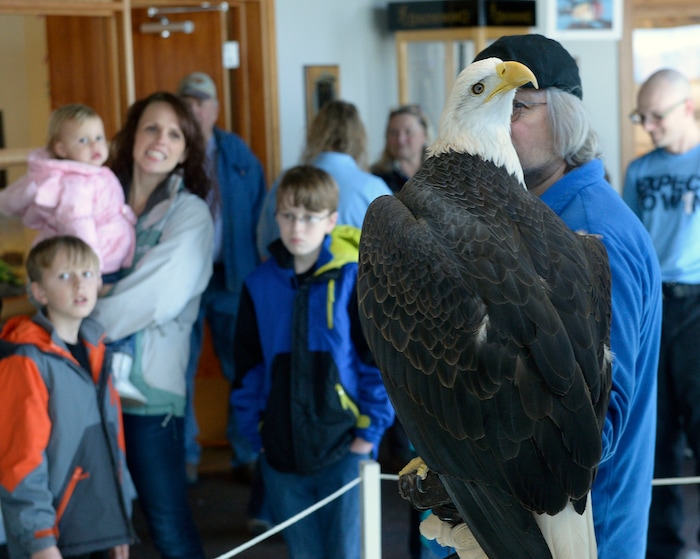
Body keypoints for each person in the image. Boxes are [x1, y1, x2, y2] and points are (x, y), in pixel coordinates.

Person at [424, 33, 663, 559]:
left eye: (519, 107)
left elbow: (600, 419)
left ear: (566, 119)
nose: (501, 119)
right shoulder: (516, 219)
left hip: (578, 533)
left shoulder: (595, 232)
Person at [231, 165, 395, 559]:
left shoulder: (353, 279)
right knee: (304, 554)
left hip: (344, 448)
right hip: (281, 455)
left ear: (331, 221)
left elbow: (377, 362)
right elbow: (247, 369)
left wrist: (367, 435)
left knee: (347, 552)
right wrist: (257, 437)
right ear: (276, 218)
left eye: (309, 216)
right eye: (288, 215)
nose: (296, 227)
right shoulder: (258, 285)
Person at [90, 91, 214, 559]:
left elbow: (154, 297)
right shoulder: (98, 203)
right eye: (150, 127)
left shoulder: (190, 214)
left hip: (148, 399)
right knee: (95, 526)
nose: (160, 140)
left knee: (167, 526)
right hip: (87, 387)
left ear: (186, 149)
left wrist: (72, 328)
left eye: (174, 133)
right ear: (132, 135)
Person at [0, 235, 136, 559]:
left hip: (99, 525)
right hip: (54, 536)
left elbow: (112, 444)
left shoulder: (97, 348)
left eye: (88, 274)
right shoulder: (26, 359)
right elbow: (21, 459)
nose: (80, 284)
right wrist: (40, 541)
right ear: (38, 292)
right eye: (64, 276)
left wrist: (119, 520)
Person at [0, 103, 144, 406]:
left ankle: (99, 370)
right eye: (83, 140)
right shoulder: (77, 182)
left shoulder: (93, 174)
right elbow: (80, 228)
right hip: (96, 266)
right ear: (61, 148)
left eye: (99, 137)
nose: (95, 145)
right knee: (109, 319)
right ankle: (113, 368)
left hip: (102, 263)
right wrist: (91, 273)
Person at [622, 69, 700, 559]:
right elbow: (630, 244)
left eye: (656, 117)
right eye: (641, 116)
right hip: (654, 307)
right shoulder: (638, 170)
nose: (648, 126)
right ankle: (665, 551)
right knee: (658, 435)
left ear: (688, 109)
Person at [176, 71, 267, 487]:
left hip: (234, 279)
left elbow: (260, 214)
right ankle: (186, 457)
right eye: (188, 102)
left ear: (214, 109)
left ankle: (244, 452)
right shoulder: (170, 151)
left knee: (240, 368)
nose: (195, 109)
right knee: (180, 369)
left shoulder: (237, 152)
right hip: (183, 283)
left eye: (202, 102)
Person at [256, 99, 392, 258]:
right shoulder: (373, 188)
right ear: (360, 138)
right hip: (358, 279)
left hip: (290, 278)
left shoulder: (286, 181)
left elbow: (265, 244)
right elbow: (397, 252)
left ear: (314, 132)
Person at [370, 104, 432, 193]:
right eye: (394, 133)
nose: (400, 140)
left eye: (408, 132)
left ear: (425, 135)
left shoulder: (440, 175)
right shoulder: (376, 179)